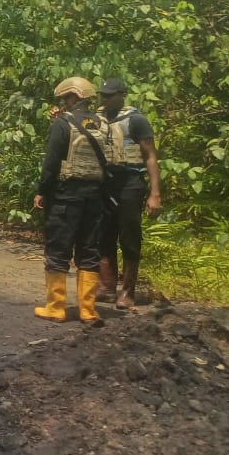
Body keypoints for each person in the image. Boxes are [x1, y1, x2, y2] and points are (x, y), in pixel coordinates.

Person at [32, 76, 107, 324]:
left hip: (65, 197)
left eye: (66, 98)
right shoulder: (103, 124)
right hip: (94, 197)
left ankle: (56, 307)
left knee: (58, 249)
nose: (64, 102)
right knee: (89, 250)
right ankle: (88, 310)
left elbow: (52, 161)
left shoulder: (62, 123)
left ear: (74, 97)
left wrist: (42, 191)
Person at [96, 78, 161, 309]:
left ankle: (128, 291)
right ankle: (107, 287)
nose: (105, 99)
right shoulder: (98, 119)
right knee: (104, 234)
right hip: (105, 183)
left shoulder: (137, 120)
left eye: (110, 95)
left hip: (130, 183)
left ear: (122, 95)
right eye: (103, 95)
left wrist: (155, 193)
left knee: (129, 236)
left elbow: (150, 156)